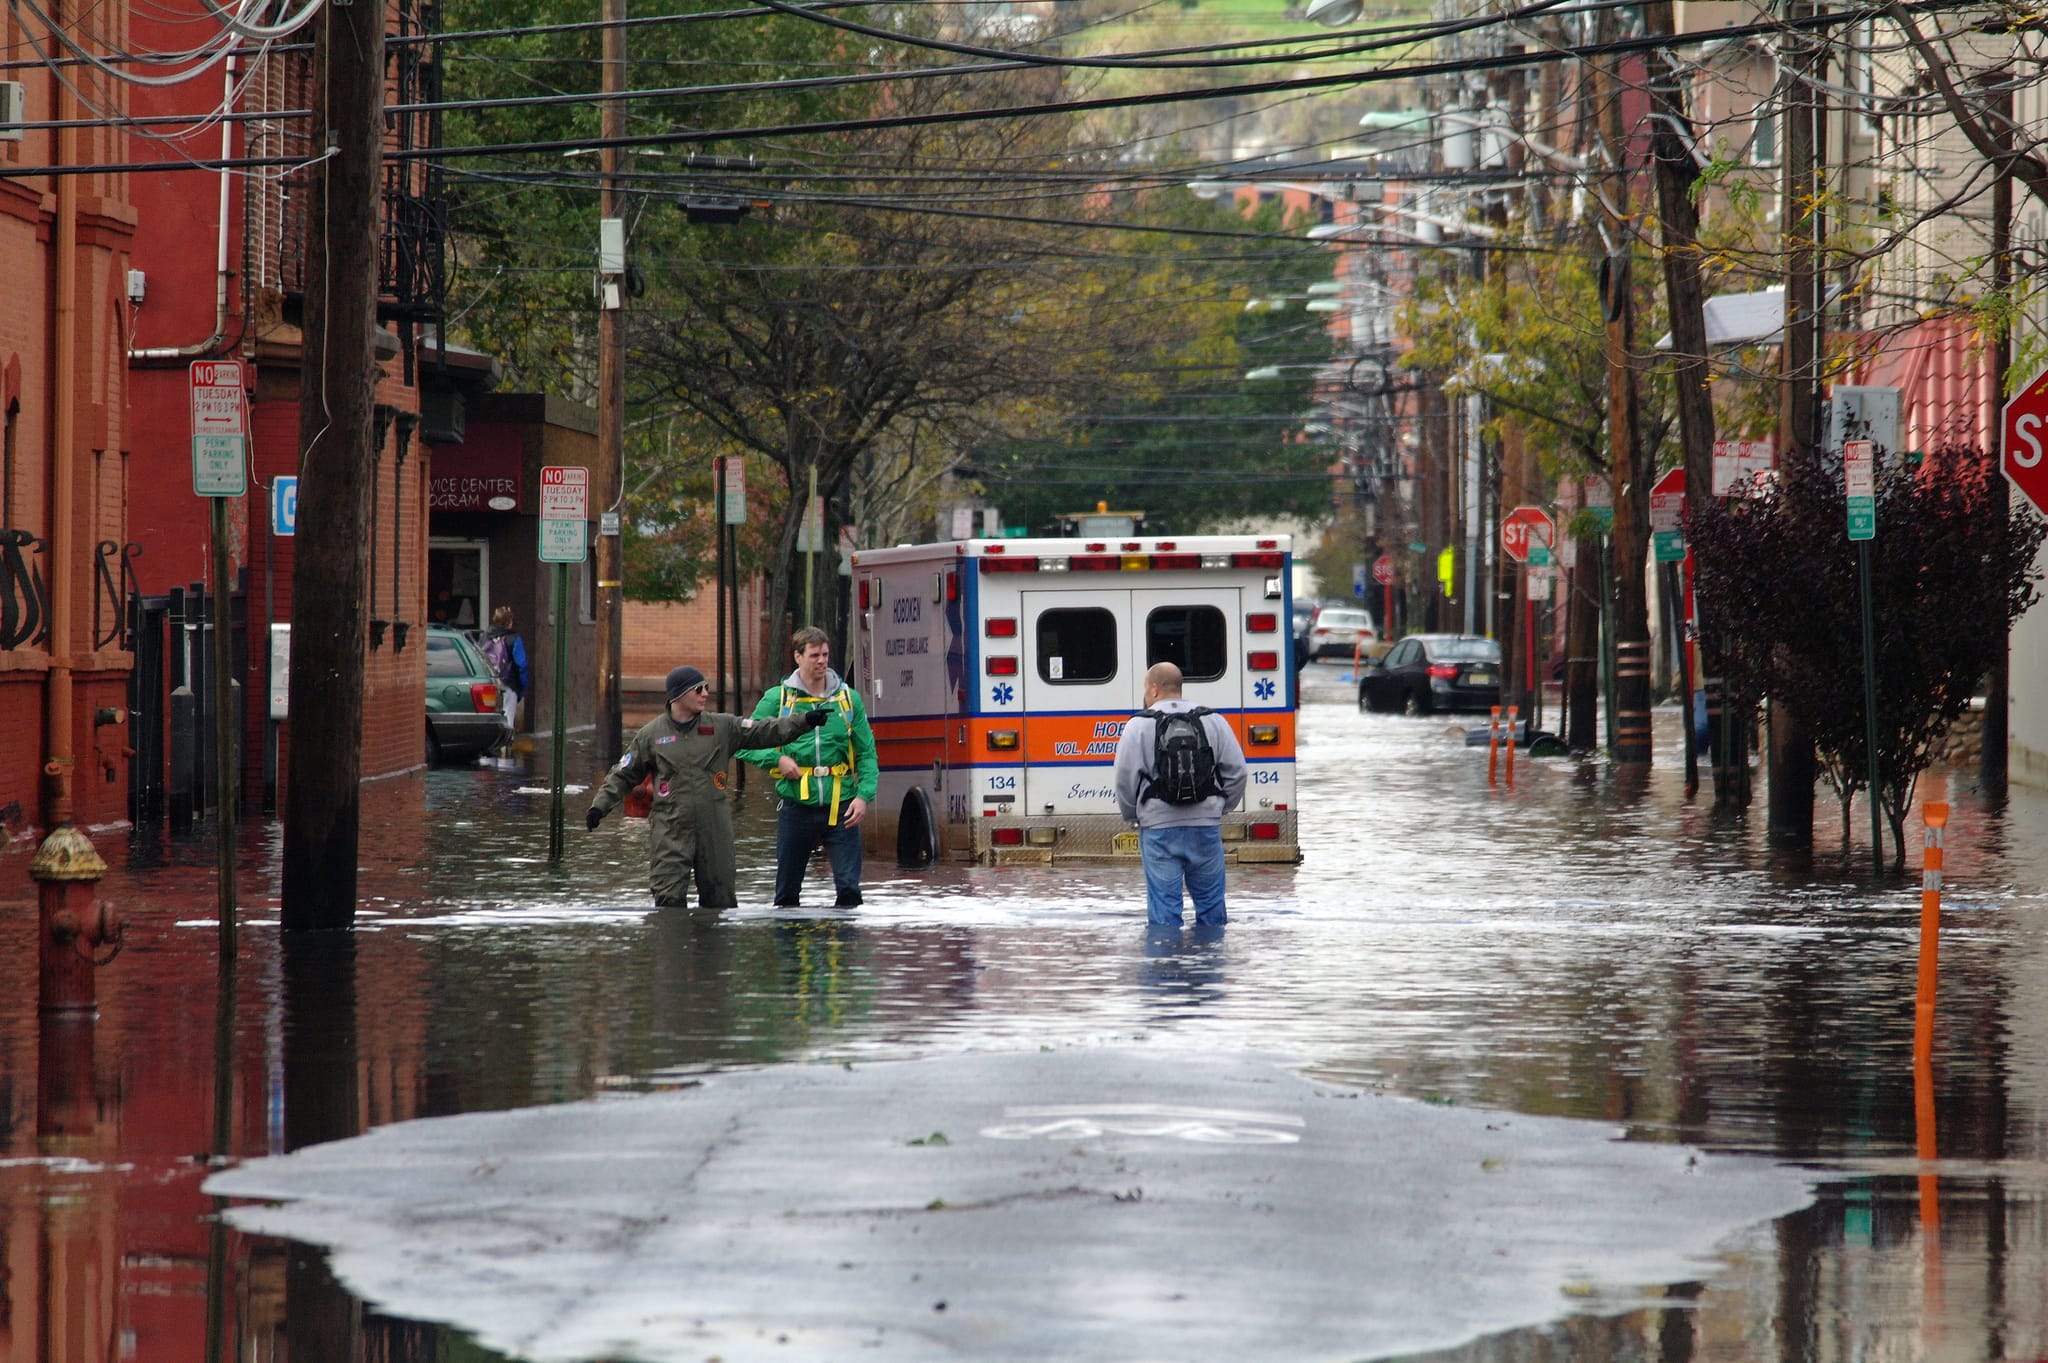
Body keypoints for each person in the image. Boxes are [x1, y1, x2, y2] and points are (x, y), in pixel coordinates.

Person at [586, 664, 827, 908]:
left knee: (720, 901)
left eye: (706, 688)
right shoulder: (651, 734)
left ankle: (713, 933)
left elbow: (765, 730)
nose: (705, 694)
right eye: (698, 689)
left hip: (714, 830)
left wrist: (804, 721)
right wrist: (599, 807)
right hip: (670, 830)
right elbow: (623, 774)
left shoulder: (722, 727)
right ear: (678, 695)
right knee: (668, 901)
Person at [738, 626, 880, 908]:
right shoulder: (778, 699)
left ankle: (846, 935)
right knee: (787, 892)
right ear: (798, 657)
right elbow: (744, 742)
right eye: (814, 655)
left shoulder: (848, 700)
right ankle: (789, 935)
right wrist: (777, 760)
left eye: (825, 655)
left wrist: (864, 796)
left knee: (849, 890)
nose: (822, 661)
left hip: (841, 805)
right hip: (796, 804)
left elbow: (867, 754)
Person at [1112, 662, 1249, 929]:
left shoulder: (1138, 725)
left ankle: (1165, 953)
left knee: (1164, 912)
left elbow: (1124, 779)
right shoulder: (1213, 720)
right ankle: (1210, 954)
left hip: (1158, 829)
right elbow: (1238, 772)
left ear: (1154, 689)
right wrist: (1220, 807)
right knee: (1212, 909)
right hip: (1205, 828)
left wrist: (1133, 815)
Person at [477, 606, 529, 745]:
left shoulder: (484, 637)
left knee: (489, 718)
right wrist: (521, 689)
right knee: (507, 721)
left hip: (488, 684)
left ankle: (488, 750)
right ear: (509, 622)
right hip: (508, 684)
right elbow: (522, 665)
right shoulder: (514, 639)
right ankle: (505, 750)